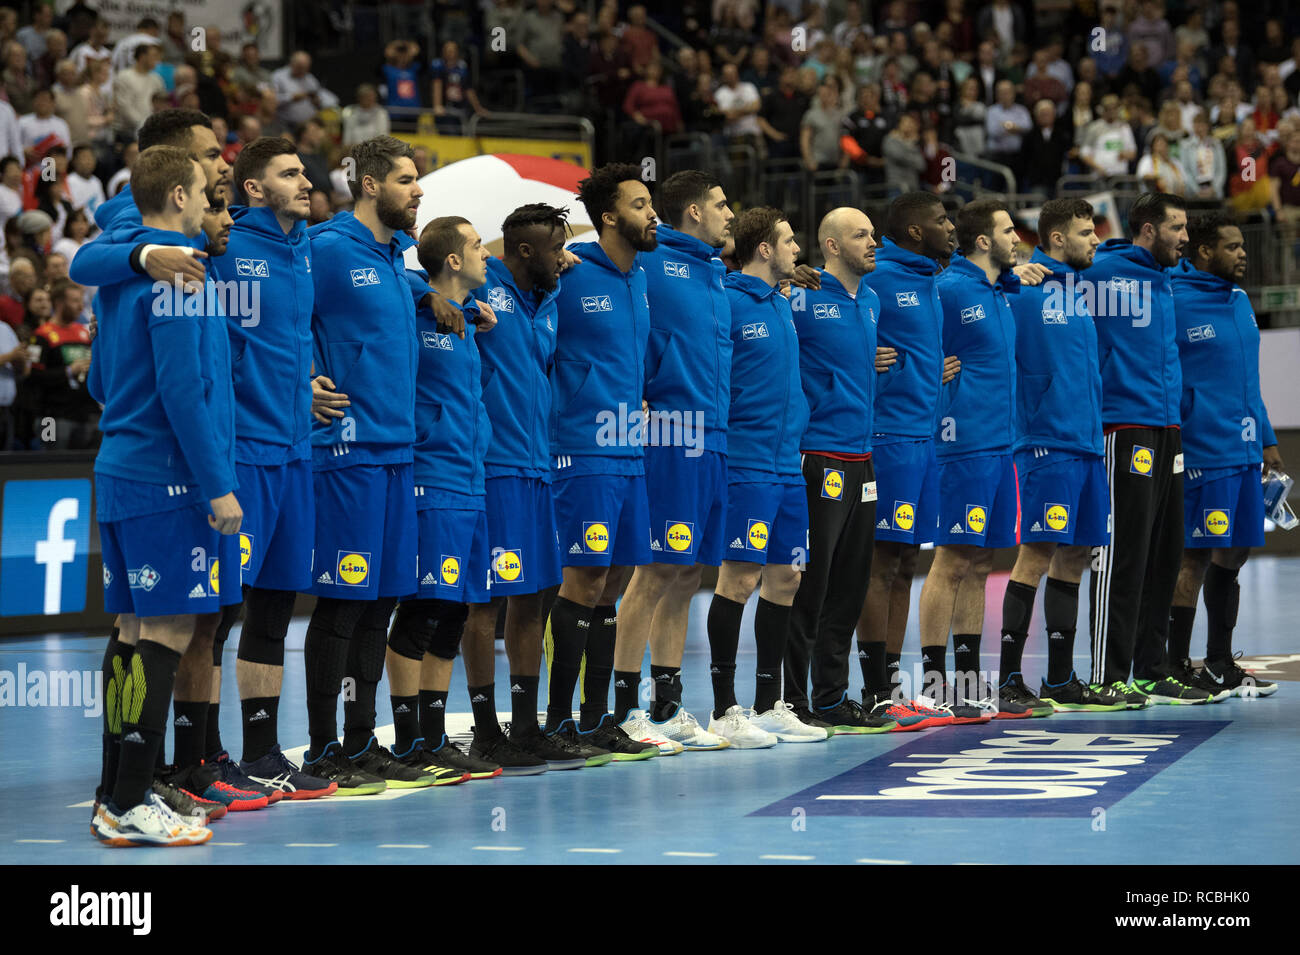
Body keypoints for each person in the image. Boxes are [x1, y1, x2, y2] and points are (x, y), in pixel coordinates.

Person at [90, 145, 236, 846]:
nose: (215, 206)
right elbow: (185, 392)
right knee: (168, 633)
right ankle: (128, 802)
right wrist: (218, 486)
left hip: (119, 466)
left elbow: (96, 381)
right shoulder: (182, 274)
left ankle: (118, 789)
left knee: (129, 631)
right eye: (208, 192)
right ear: (179, 196)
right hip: (167, 478)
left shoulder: (124, 271)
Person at [297, 136, 429, 793]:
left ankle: (360, 739)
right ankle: (323, 749)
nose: (417, 190)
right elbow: (278, 321)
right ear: (370, 184)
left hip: (397, 453)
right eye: (407, 179)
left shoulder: (396, 260)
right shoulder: (323, 247)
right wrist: (305, 379)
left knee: (379, 602)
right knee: (343, 601)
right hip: (345, 451)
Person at [458, 203, 591, 771]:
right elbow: (424, 281)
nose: (566, 257)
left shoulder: (548, 296)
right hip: (493, 466)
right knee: (488, 598)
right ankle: (486, 728)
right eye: (557, 247)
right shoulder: (480, 286)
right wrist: (435, 297)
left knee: (535, 595)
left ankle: (527, 724)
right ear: (526, 250)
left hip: (540, 466)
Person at [378, 216, 505, 785]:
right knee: (424, 608)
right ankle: (407, 742)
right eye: (476, 245)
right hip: (432, 478)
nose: (485, 255)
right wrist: (427, 293)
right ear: (452, 261)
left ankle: (432, 736)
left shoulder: (469, 321)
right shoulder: (415, 305)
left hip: (469, 477)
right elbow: (393, 279)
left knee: (453, 610)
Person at [541, 163, 660, 761]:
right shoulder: (569, 268)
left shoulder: (639, 278)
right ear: (609, 215)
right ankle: (558, 720)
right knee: (582, 579)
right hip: (580, 448)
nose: (653, 213)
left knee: (615, 579)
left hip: (629, 447)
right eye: (641, 205)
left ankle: (595, 719)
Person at [613, 170, 735, 751]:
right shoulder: (651, 260)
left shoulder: (716, 272)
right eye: (720, 204)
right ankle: (622, 709)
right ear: (693, 212)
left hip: (715, 434)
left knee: (688, 573)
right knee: (656, 570)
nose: (730, 213)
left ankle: (666, 706)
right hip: (671, 430)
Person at [783, 207, 916, 733]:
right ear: (832, 246)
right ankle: (792, 701)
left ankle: (833, 696)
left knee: (849, 585)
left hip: (865, 458)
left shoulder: (873, 300)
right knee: (810, 584)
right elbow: (741, 290)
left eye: (873, 233)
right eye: (861, 235)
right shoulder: (800, 295)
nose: (873, 242)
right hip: (819, 455)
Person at [703, 205, 823, 745]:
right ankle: (724, 709)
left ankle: (769, 701)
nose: (799, 251)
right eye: (790, 242)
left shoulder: (782, 301)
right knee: (739, 578)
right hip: (746, 462)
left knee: (786, 578)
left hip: (787, 464)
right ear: (765, 249)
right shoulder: (726, 301)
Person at [999, 198, 1123, 713]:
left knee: (1075, 557)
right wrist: (1009, 275)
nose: (1095, 240)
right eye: (1085, 233)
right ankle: (1008, 681)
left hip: (1088, 445)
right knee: (1036, 555)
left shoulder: (1078, 292)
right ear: (1055, 239)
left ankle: (1058, 678)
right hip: (1046, 444)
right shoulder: (1022, 289)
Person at [1086, 192, 1210, 705]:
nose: (1186, 237)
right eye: (1177, 227)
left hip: (1168, 429)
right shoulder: (1101, 274)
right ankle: (1106, 672)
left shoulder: (1167, 278)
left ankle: (1151, 668)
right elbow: (1040, 284)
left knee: (1165, 552)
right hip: (1123, 429)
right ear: (1148, 229)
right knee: (1123, 553)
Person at [1166, 214, 1281, 699]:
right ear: (1205, 251)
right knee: (1192, 558)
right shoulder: (1171, 297)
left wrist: (1268, 440)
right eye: (1233, 247)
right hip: (1201, 452)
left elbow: (1248, 379)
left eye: (1243, 246)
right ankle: (1173, 666)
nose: (1243, 253)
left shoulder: (1239, 299)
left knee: (1234, 555)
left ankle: (1219, 662)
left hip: (1245, 450)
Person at [919, 199, 1024, 720]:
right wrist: (934, 383)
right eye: (1008, 231)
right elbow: (918, 346)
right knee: (951, 559)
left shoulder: (999, 293)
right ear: (983, 241)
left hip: (1000, 446)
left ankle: (964, 679)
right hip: (962, 446)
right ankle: (934, 682)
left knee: (982, 563)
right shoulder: (950, 289)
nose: (1016, 238)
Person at [857, 192, 958, 721]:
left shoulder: (931, 281)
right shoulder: (877, 279)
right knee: (881, 561)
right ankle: (875, 687)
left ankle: (893, 687)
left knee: (904, 564)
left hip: (924, 439)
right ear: (915, 231)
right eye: (941, 220)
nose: (950, 226)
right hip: (887, 438)